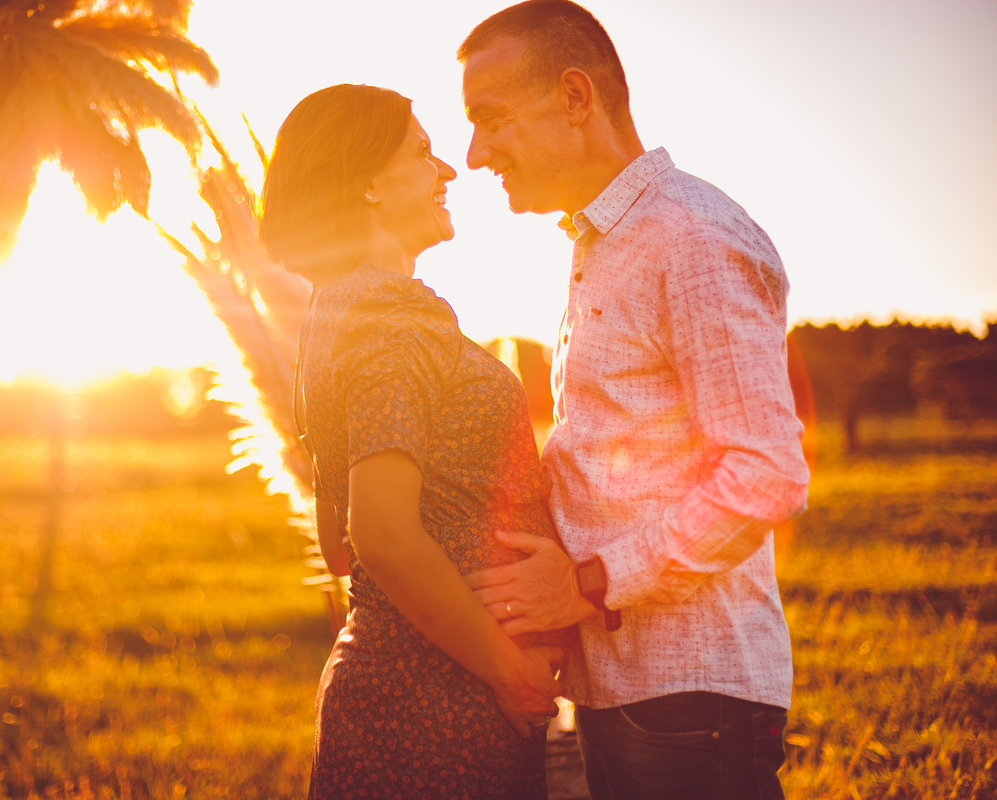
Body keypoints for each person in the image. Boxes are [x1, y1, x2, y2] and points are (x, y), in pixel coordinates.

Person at [455, 2, 812, 799]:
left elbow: (766, 474)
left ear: (576, 98)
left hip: (688, 702)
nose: (476, 153)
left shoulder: (689, 235)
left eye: (493, 119)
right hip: (626, 690)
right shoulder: (604, 245)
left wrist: (585, 582)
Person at [258, 83, 572, 799]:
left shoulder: (337, 311)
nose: (448, 172)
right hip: (434, 714)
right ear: (368, 181)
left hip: (407, 691)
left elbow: (338, 546)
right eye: (424, 153)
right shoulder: (390, 320)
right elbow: (380, 537)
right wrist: (509, 669)